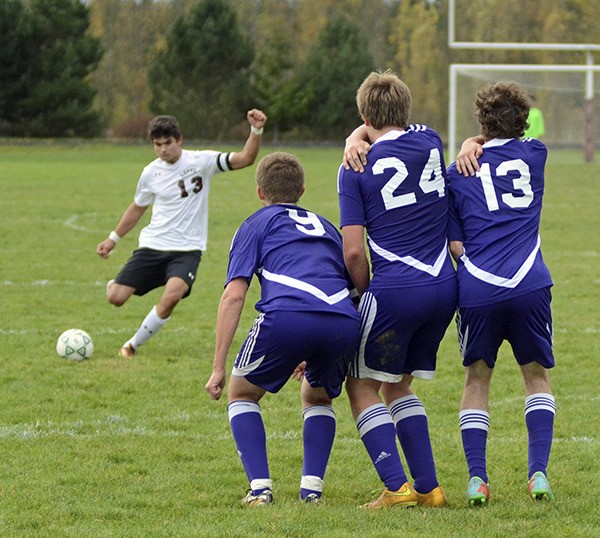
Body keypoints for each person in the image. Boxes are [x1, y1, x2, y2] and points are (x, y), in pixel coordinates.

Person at [204, 152, 361, 506]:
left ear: (260, 192)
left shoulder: (255, 223)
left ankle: (260, 489)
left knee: (242, 393)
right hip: (343, 321)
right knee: (317, 396)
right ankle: (312, 490)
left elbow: (234, 296)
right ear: (302, 190)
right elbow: (348, 285)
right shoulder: (326, 226)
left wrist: (217, 366)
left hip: (287, 315)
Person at [338, 70, 457, 509]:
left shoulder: (354, 167)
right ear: (406, 110)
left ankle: (396, 486)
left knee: (360, 382)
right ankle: (429, 489)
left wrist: (365, 294)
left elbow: (353, 252)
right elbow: (391, 126)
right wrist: (359, 132)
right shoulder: (431, 140)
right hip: (445, 286)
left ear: (364, 113)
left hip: (396, 288)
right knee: (398, 384)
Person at [446, 82, 556, 506]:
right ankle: (539, 474)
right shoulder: (536, 155)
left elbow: (456, 246)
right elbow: (513, 143)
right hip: (530, 282)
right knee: (536, 377)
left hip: (478, 287)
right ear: (525, 122)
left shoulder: (458, 173)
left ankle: (477, 479)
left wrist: (467, 145)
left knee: (477, 379)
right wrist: (474, 141)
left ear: (480, 122)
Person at [96, 109, 267, 357]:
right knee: (116, 297)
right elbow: (137, 208)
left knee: (172, 296)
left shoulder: (201, 162)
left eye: (167, 143)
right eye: (157, 145)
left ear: (179, 140)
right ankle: (124, 284)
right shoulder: (150, 173)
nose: (163, 149)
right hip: (153, 245)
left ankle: (131, 345)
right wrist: (113, 239)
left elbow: (245, 158)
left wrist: (256, 130)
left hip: (187, 249)